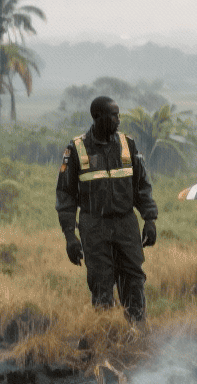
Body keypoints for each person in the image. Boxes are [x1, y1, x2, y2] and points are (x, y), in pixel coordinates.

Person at [55, 96, 159, 324]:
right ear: (97, 117)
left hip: (126, 226)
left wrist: (150, 220)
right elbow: (65, 195)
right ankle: (104, 334)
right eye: (113, 115)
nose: (118, 120)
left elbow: (142, 186)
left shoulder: (128, 144)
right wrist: (70, 236)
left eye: (118, 115)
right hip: (94, 228)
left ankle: (137, 333)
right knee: (101, 285)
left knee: (134, 281)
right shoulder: (76, 149)